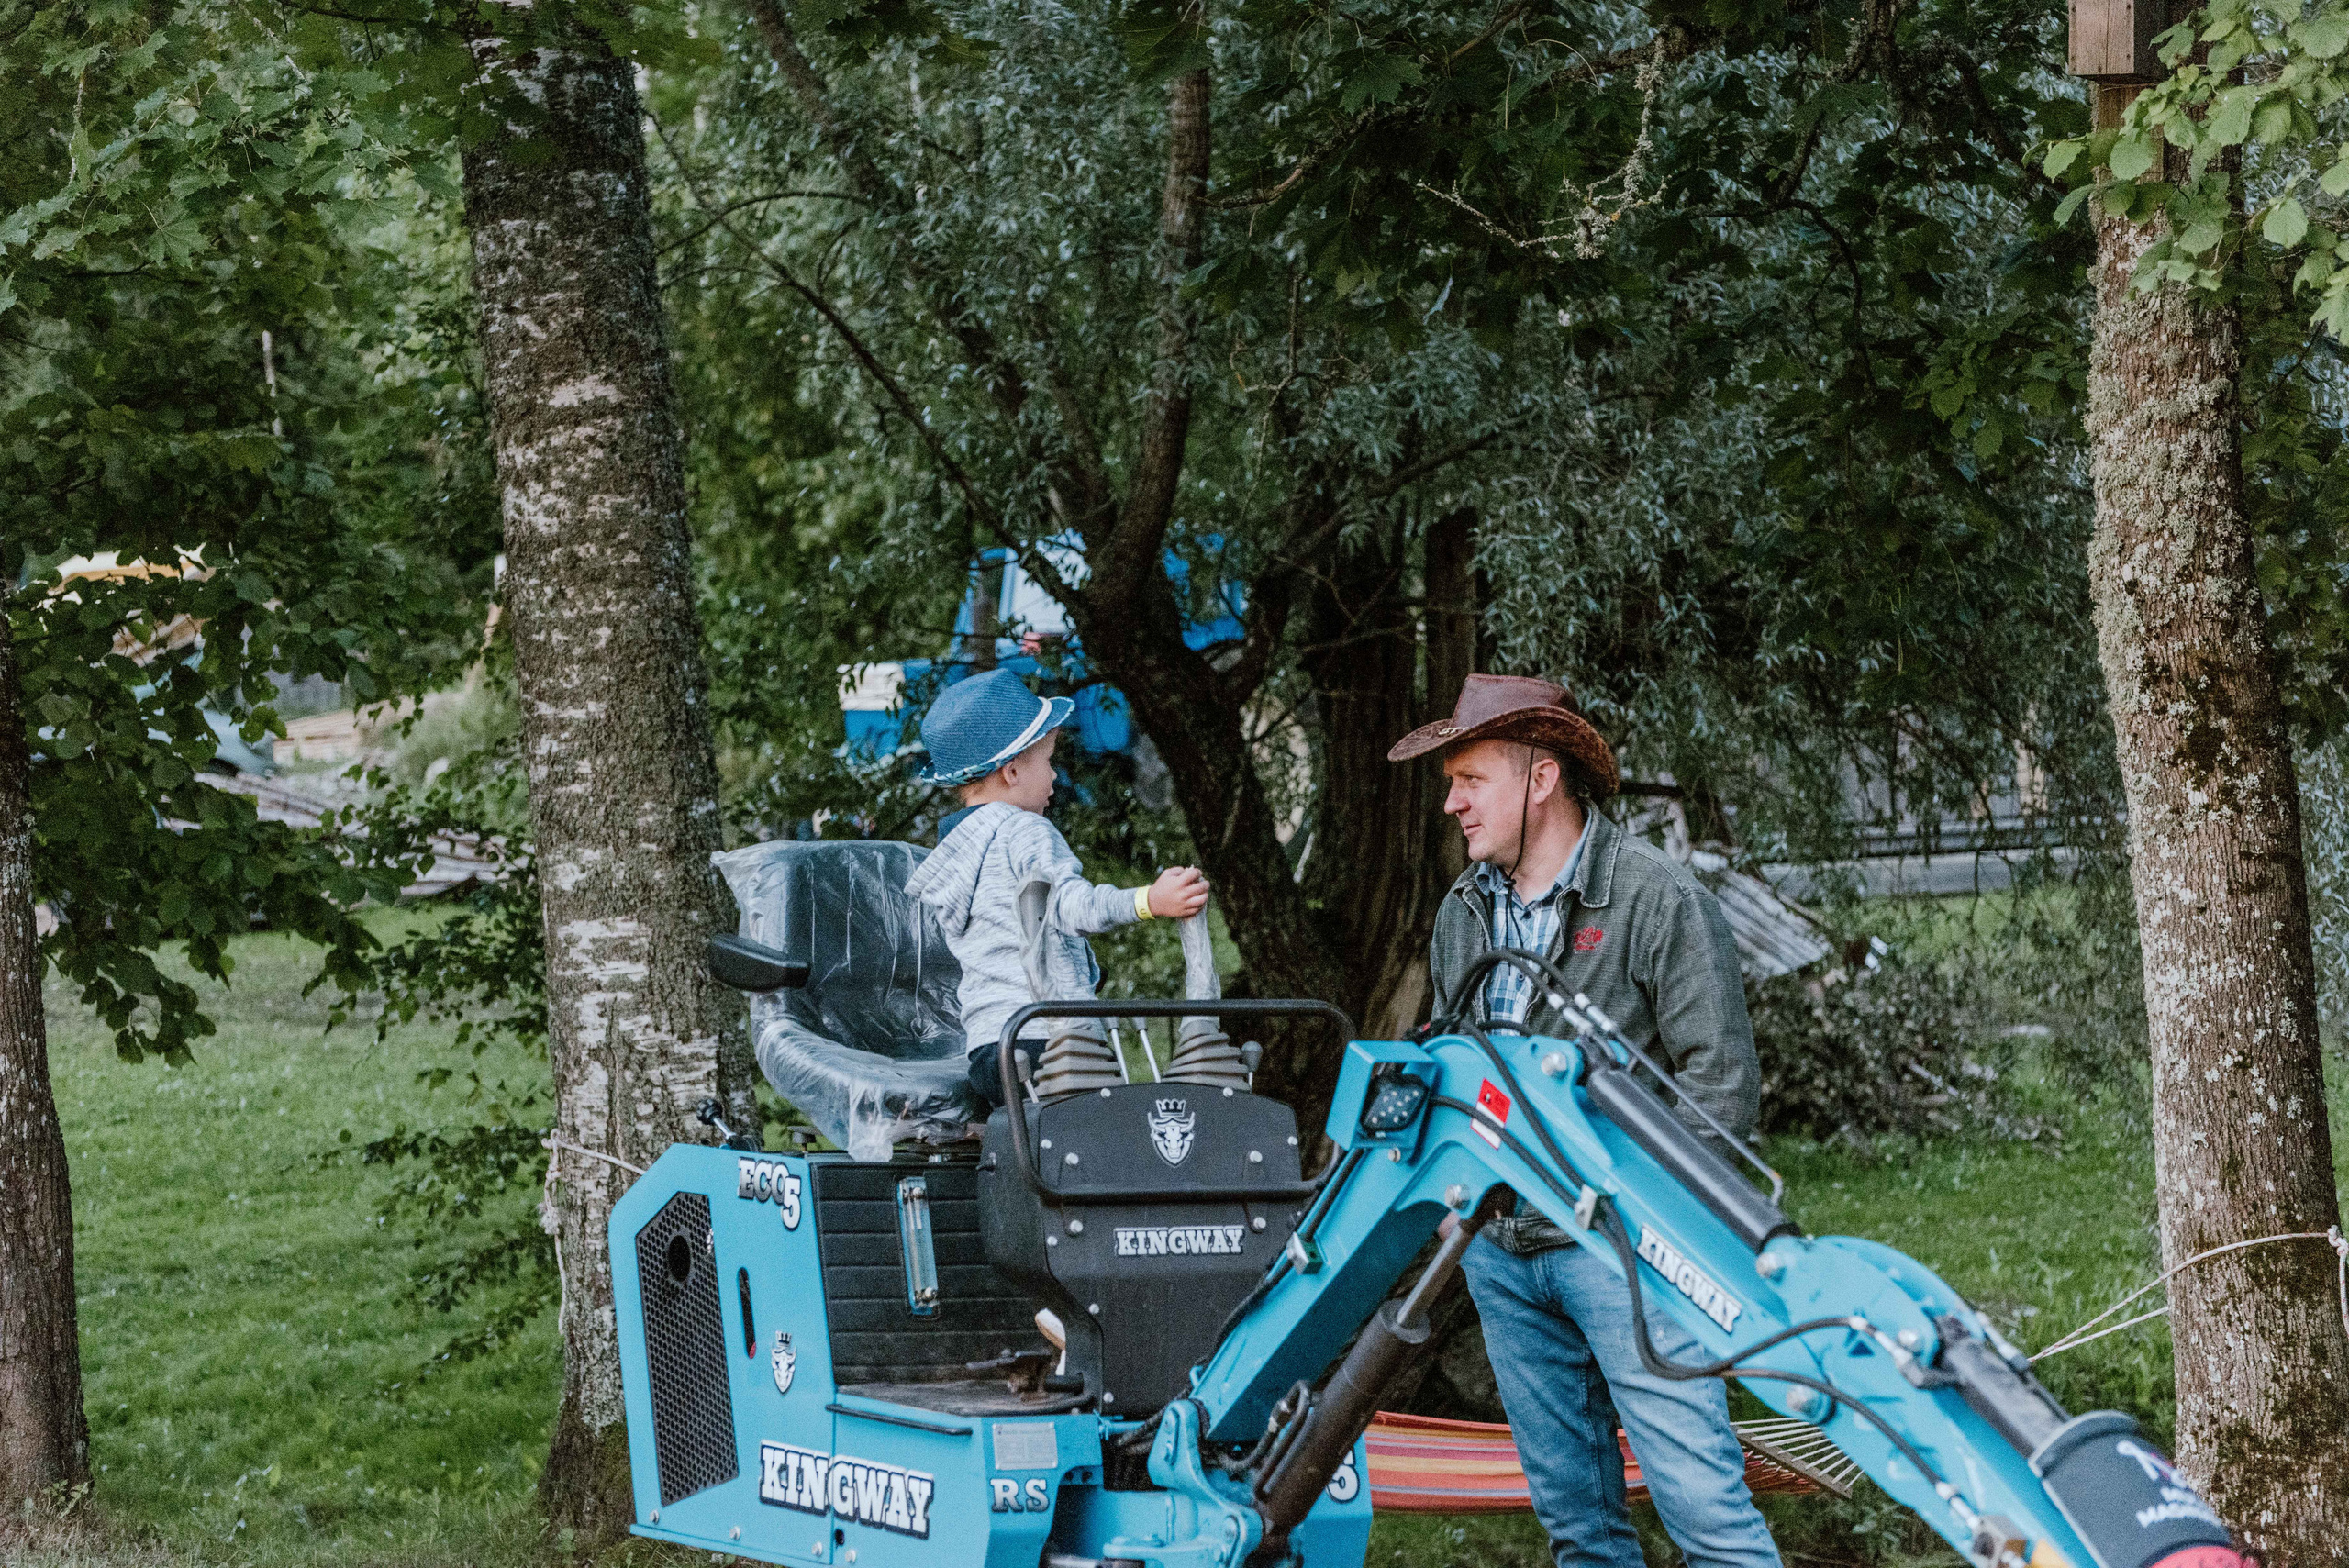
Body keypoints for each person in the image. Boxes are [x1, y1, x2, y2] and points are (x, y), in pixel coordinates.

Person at [1388, 673, 1777, 1568]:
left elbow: (1720, 1090)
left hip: (1628, 1249)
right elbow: (1460, 1062)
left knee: (1706, 1512)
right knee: (1578, 1525)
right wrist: (1462, 1206)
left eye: (1469, 778)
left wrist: (1663, 1230)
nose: (1450, 801)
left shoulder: (1655, 897)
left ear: (1539, 779)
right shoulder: (1463, 910)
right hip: (1501, 1249)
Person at [906, 668, 1208, 1106]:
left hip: (992, 1047)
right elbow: (1072, 907)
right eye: (1047, 762)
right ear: (1011, 772)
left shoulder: (956, 856)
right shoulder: (1025, 831)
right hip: (1051, 1039)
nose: (1052, 777)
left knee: (1033, 1159)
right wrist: (1150, 900)